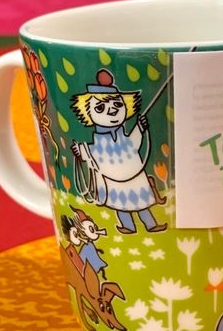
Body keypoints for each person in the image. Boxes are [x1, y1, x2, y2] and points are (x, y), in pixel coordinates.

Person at [70, 69, 167, 235]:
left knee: (141, 201)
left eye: (117, 105)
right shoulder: (100, 142)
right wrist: (80, 151)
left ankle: (151, 225)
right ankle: (128, 226)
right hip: (114, 182)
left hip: (134, 176)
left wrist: (139, 128)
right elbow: (92, 154)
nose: (112, 110)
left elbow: (133, 144)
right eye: (100, 107)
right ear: (88, 113)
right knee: (120, 204)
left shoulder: (123, 137)